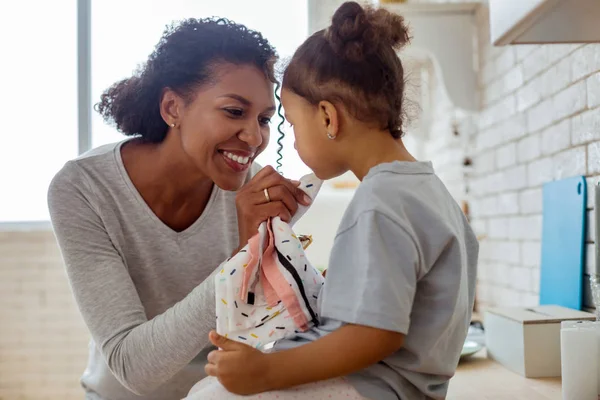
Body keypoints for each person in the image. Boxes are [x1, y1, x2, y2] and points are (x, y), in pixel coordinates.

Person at [195, 2, 479, 400]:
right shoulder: (429, 193)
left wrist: (266, 371)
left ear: (328, 118)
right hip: (403, 389)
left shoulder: (380, 201)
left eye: (292, 124)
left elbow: (374, 334)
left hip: (370, 388)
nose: (290, 140)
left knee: (208, 397)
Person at [47, 17, 310, 400]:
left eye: (265, 120)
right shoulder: (85, 189)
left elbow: (262, 333)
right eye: (234, 112)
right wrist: (244, 257)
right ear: (172, 107)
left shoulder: (255, 193)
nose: (255, 137)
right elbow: (133, 365)